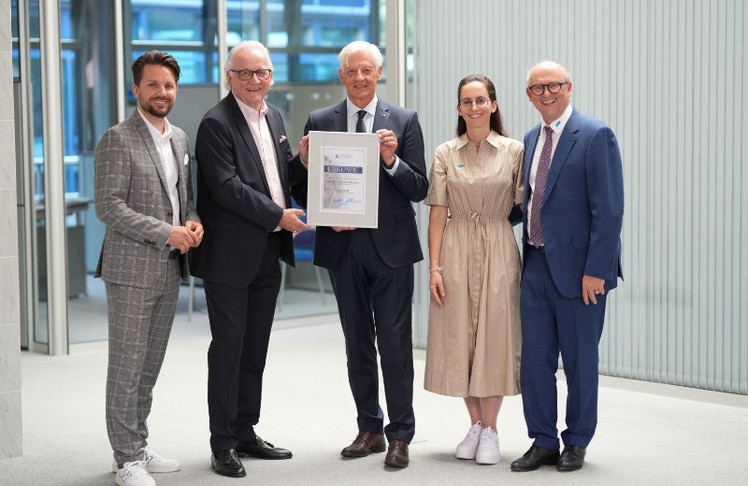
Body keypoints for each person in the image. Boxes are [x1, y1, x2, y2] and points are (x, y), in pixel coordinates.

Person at [296, 40, 429, 468]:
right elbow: (302, 189)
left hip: (391, 249)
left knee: (394, 344)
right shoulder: (320, 121)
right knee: (357, 343)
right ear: (342, 76)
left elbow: (420, 188)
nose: (359, 78)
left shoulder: (404, 121)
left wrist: (391, 160)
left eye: (366, 70)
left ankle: (400, 435)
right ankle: (369, 428)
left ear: (379, 72)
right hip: (341, 247)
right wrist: (301, 164)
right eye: (351, 71)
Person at [188, 40, 309, 478]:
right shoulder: (215, 123)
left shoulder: (272, 116)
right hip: (229, 258)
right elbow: (227, 187)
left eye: (262, 72)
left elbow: (276, 177)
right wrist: (279, 215)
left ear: (271, 76)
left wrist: (303, 163)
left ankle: (245, 431)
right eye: (245, 73)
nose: (254, 80)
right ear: (229, 77)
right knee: (228, 350)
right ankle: (222, 444)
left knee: (254, 348)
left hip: (268, 252)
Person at [94, 50, 204, 486]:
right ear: (135, 90)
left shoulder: (178, 138)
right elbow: (109, 207)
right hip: (130, 269)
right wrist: (166, 231)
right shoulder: (117, 138)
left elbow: (185, 197)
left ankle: (137, 444)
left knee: (149, 366)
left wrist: (191, 221)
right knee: (126, 365)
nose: (163, 93)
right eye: (154, 85)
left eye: (169, 85)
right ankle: (125, 460)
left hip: (168, 267)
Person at [510, 60, 624, 473]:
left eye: (553, 85)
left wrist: (597, 269)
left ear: (569, 87)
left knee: (579, 361)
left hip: (582, 271)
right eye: (537, 88)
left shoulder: (595, 135)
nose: (546, 93)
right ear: (528, 95)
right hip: (535, 265)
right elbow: (531, 203)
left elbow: (609, 211)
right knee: (535, 360)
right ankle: (541, 440)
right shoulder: (530, 138)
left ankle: (576, 440)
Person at [423, 74, 523, 466]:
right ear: (458, 108)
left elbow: (527, 204)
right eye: (467, 101)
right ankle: (476, 425)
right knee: (460, 336)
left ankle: (493, 430)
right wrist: (435, 267)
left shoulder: (514, 150)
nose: (475, 107)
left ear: (494, 105)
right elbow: (436, 214)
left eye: (482, 100)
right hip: (456, 243)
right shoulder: (446, 152)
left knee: (494, 338)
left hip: (498, 245)